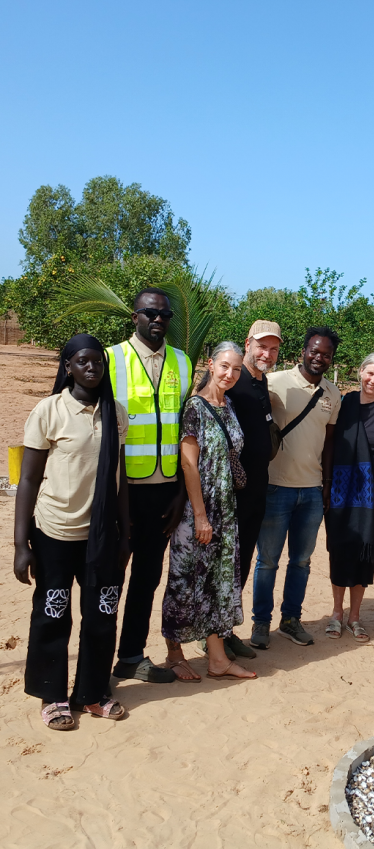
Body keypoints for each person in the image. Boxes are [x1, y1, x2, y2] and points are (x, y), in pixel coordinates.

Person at [14, 334, 129, 730]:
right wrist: (20, 543)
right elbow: (28, 479)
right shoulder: (49, 411)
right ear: (68, 367)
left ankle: (93, 693)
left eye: (97, 361)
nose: (92, 367)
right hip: (55, 533)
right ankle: (52, 694)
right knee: (53, 615)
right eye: (83, 361)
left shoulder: (116, 412)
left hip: (102, 537)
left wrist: (125, 533)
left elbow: (121, 479)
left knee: (101, 616)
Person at [107, 288, 192, 684]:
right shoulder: (110, 359)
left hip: (164, 491)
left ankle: (131, 656)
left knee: (146, 576)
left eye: (165, 315)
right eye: (150, 313)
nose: (158, 320)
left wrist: (179, 492)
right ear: (135, 316)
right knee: (110, 576)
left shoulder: (182, 362)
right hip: (120, 492)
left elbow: (183, 430)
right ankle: (96, 663)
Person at [161, 342, 257, 681]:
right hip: (198, 511)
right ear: (211, 364)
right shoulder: (195, 408)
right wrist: (200, 516)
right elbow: (189, 465)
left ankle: (217, 659)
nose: (230, 374)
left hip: (225, 509)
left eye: (236, 369)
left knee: (217, 584)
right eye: (225, 367)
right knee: (184, 581)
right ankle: (174, 652)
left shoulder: (228, 404)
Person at [251, 326, 342, 650]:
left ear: (332, 358)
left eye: (326, 354)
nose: (319, 357)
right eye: (314, 351)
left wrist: (326, 486)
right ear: (303, 351)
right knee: (268, 561)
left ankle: (291, 620)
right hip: (276, 488)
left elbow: (329, 444)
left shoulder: (333, 395)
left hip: (312, 492)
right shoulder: (274, 382)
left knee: (301, 561)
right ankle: (261, 623)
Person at [325, 352, 374, 643]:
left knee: (365, 549)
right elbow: (327, 440)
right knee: (340, 547)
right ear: (360, 372)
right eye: (369, 373)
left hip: (373, 492)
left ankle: (355, 616)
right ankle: (337, 612)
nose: (373, 380)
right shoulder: (344, 402)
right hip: (341, 488)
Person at [225, 319, 282, 660]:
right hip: (231, 490)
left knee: (243, 560)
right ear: (248, 343)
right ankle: (212, 633)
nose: (267, 353)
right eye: (262, 346)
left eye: (274, 348)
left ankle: (226, 629)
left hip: (257, 488)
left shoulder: (262, 383)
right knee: (224, 561)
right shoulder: (232, 378)